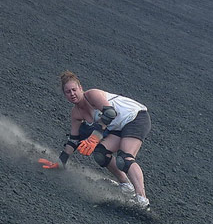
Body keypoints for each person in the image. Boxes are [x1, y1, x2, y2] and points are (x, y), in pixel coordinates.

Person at [38, 70, 152, 208]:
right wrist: (60, 162)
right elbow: (73, 140)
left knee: (125, 158)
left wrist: (94, 137)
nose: (72, 94)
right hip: (118, 127)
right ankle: (126, 185)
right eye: (68, 92)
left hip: (136, 118)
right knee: (100, 153)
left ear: (81, 88)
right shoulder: (76, 113)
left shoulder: (92, 95)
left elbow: (110, 113)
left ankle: (142, 200)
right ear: (65, 95)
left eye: (74, 89)